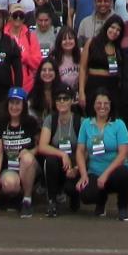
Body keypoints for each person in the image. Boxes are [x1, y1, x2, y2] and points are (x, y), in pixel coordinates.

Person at [76, 89, 128, 220]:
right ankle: (100, 201)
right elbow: (80, 150)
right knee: (86, 195)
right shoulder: (86, 123)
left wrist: (105, 175)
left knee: (124, 175)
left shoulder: (119, 124)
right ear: (93, 104)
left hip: (115, 170)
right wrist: (83, 174)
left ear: (111, 105)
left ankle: (123, 207)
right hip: (94, 170)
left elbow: (123, 154)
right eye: (99, 103)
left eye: (106, 103)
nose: (102, 106)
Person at [0, 86, 39, 216]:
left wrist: (30, 152)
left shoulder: (31, 122)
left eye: (18, 103)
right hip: (9, 168)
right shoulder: (0, 122)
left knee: (27, 159)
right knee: (10, 184)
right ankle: (11, 198)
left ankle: (27, 200)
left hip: (28, 166)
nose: (14, 107)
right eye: (11, 103)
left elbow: (41, 145)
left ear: (23, 105)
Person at [35, 84, 84, 216]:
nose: (62, 101)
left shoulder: (80, 121)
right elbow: (42, 146)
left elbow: (85, 150)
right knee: (50, 160)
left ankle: (74, 196)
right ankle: (51, 201)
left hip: (75, 164)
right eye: (58, 99)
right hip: (58, 164)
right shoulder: (50, 120)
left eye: (65, 98)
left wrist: (76, 168)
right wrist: (62, 154)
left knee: (72, 186)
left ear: (72, 100)